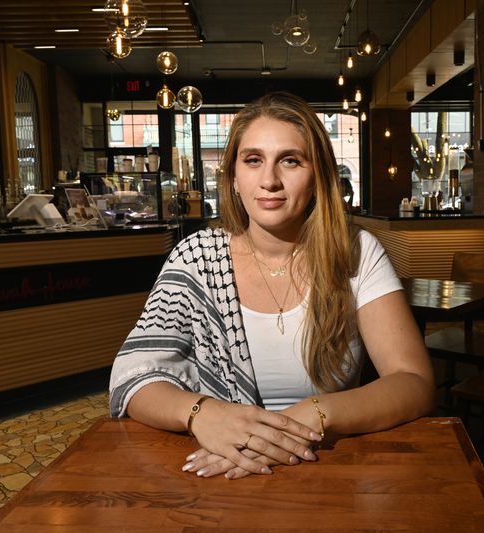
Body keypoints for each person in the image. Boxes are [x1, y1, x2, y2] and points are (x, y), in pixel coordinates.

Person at [109, 92, 435, 480]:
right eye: (253, 160)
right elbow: (132, 378)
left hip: (323, 464)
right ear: (233, 176)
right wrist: (201, 413)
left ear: (318, 176)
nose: (269, 181)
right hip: (217, 467)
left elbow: (414, 383)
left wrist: (313, 414)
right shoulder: (195, 257)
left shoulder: (356, 252)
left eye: (291, 161)